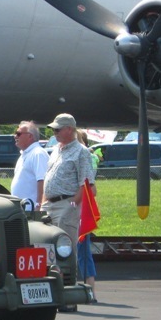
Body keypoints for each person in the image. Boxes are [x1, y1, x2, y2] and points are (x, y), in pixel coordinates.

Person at [41, 114, 95, 246]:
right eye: (53, 130)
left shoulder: (81, 151)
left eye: (57, 130)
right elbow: (48, 177)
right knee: (45, 246)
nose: (54, 133)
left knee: (64, 249)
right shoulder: (55, 150)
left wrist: (71, 205)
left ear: (69, 129)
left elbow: (86, 184)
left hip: (66, 205)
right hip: (49, 206)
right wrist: (43, 203)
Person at [76, 129, 99, 303]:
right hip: (71, 209)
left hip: (79, 211)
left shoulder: (85, 157)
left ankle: (90, 290)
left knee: (83, 252)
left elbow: (91, 189)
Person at [10, 120, 49, 211]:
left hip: (32, 210)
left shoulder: (38, 153)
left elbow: (42, 182)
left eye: (18, 133)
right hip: (22, 209)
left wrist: (39, 206)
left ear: (30, 136)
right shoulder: (25, 154)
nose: (15, 136)